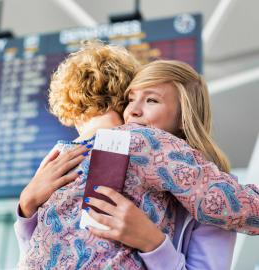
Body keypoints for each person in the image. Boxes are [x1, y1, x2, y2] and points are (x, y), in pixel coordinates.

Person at [15, 43, 259, 269]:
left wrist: (151, 241)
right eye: (130, 100)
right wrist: (27, 204)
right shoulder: (143, 143)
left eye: (151, 100)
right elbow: (233, 204)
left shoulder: (62, 153)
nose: (134, 110)